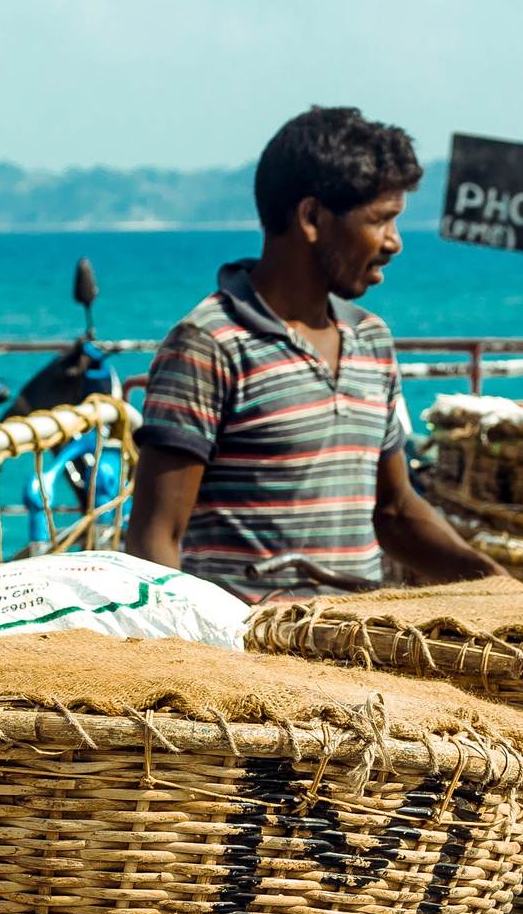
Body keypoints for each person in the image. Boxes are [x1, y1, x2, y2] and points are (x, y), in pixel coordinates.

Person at [124, 106, 501, 600]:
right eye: (381, 220)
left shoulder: (371, 340)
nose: (395, 242)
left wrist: (499, 586)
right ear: (311, 218)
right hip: (243, 663)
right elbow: (154, 540)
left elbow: (394, 512)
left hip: (354, 657)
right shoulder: (208, 346)